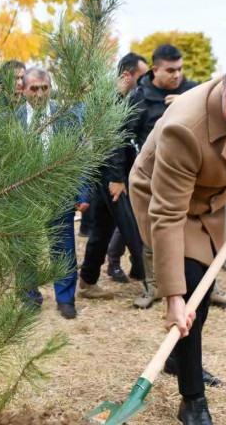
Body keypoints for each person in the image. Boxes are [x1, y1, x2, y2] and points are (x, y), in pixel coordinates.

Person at [129, 46, 226, 425]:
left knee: (206, 289)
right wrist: (172, 296)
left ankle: (176, 359)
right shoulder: (185, 127)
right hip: (164, 201)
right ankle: (192, 398)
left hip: (209, 200)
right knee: (190, 293)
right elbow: (167, 214)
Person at [125, 44, 226, 309]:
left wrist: (186, 107)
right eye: (170, 70)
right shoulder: (141, 98)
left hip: (196, 178)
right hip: (155, 176)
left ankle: (209, 284)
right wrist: (119, 177)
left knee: (204, 232)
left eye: (180, 69)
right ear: (155, 70)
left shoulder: (196, 92)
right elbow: (123, 136)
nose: (177, 75)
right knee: (156, 232)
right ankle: (153, 285)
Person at [14, 67, 89, 319]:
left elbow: (79, 157)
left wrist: (82, 193)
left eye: (44, 88)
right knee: (25, 248)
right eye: (33, 88)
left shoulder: (66, 117)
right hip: (24, 195)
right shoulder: (12, 119)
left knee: (63, 247)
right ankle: (28, 296)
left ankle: (65, 299)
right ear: (23, 89)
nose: (39, 94)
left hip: (58, 192)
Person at [78, 53, 148, 300]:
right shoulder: (110, 101)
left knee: (103, 229)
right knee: (132, 228)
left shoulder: (122, 100)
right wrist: (117, 178)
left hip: (110, 175)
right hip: (111, 178)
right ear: (126, 75)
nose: (144, 82)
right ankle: (151, 280)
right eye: (142, 77)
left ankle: (87, 280)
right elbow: (111, 144)